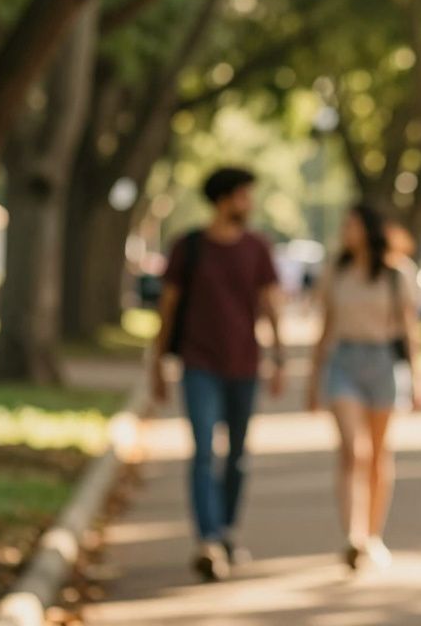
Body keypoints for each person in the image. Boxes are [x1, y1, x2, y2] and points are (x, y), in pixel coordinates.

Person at [149, 166, 286, 582]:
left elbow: (270, 304)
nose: (249, 204)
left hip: (244, 363)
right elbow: (169, 308)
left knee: (238, 457)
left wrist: (279, 357)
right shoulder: (188, 246)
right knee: (204, 452)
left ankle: (226, 530)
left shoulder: (257, 248)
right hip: (199, 363)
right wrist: (157, 361)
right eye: (244, 196)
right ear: (223, 200)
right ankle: (207, 539)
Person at [307, 204, 421, 571]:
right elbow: (326, 327)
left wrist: (419, 376)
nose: (346, 231)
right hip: (344, 361)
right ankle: (352, 536)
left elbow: (411, 330)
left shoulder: (398, 273)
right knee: (352, 450)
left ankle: (373, 536)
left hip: (383, 363)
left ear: (369, 229)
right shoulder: (336, 269)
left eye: (352, 224)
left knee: (379, 454)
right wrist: (314, 379)